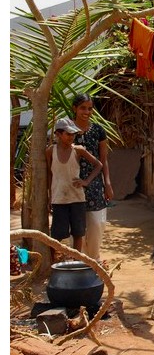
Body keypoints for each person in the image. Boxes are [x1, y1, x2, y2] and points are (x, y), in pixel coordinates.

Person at [46, 117, 103, 253]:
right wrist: (50, 196)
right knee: (57, 235)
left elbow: (98, 165)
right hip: (59, 199)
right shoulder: (50, 151)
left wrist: (86, 182)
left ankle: (76, 261)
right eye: (68, 134)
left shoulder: (78, 150)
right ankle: (54, 263)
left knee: (78, 233)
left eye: (73, 134)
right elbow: (50, 174)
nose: (71, 137)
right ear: (58, 134)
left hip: (77, 198)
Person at [71, 93, 114, 263]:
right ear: (75, 108)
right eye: (83, 108)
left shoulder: (98, 130)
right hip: (72, 184)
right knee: (77, 227)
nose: (86, 111)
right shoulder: (66, 130)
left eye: (90, 108)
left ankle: (94, 261)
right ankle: (80, 263)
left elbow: (103, 160)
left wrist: (107, 184)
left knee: (96, 224)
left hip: (95, 184)